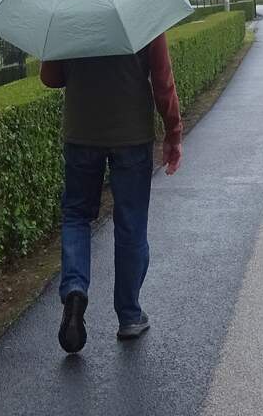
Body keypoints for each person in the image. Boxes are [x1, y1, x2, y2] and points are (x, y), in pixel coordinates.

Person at [40, 32, 182, 354]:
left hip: (81, 135)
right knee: (130, 223)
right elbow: (162, 79)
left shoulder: (68, 13)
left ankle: (75, 289)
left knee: (76, 216)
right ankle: (130, 315)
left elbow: (50, 78)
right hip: (132, 135)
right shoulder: (142, 12)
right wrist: (173, 131)